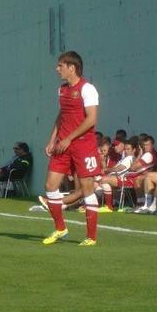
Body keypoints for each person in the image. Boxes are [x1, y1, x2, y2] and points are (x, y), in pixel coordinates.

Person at [42, 51, 101, 247]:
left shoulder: (88, 89)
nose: (57, 69)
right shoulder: (62, 90)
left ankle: (91, 237)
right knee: (50, 186)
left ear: (72, 67)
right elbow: (61, 116)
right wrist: (52, 140)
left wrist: (68, 138)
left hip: (83, 145)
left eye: (61, 65)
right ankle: (60, 228)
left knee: (86, 189)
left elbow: (91, 119)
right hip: (63, 145)